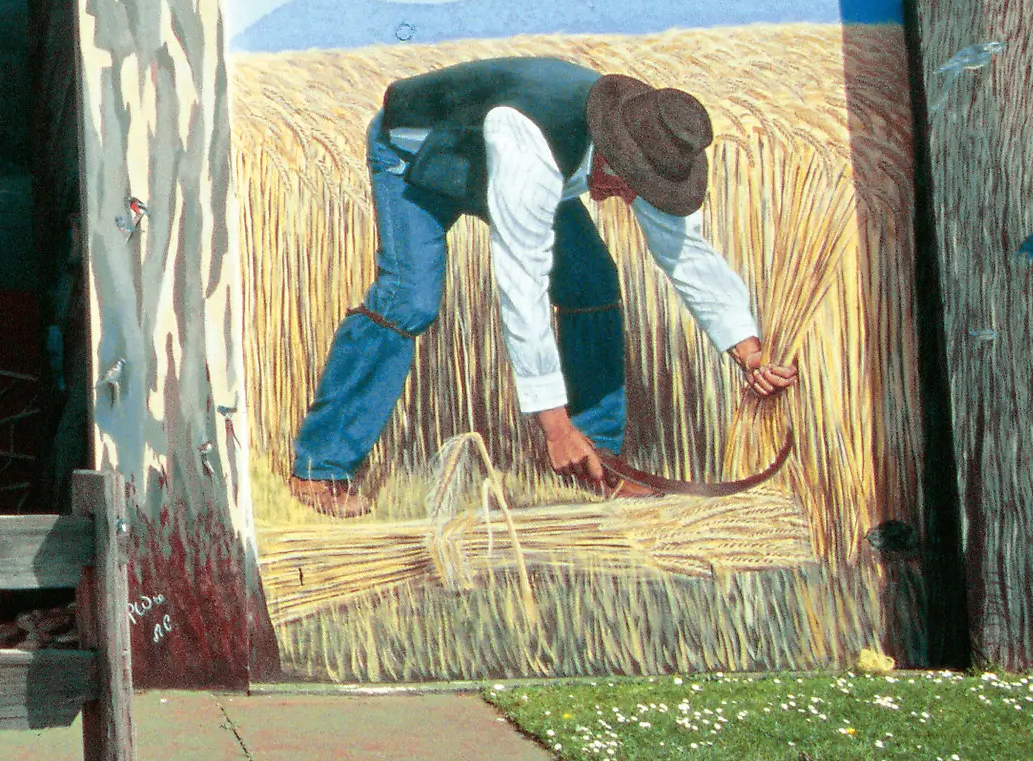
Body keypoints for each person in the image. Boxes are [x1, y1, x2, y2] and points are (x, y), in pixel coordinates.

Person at [289, 55, 783, 512]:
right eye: (631, 181)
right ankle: (319, 468)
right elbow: (522, 285)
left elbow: (686, 253)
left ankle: (598, 459)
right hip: (417, 157)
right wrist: (553, 427)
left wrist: (748, 352)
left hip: (494, 160)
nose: (632, 198)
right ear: (610, 152)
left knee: (592, 282)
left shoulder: (646, 138)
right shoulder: (534, 144)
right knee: (409, 298)